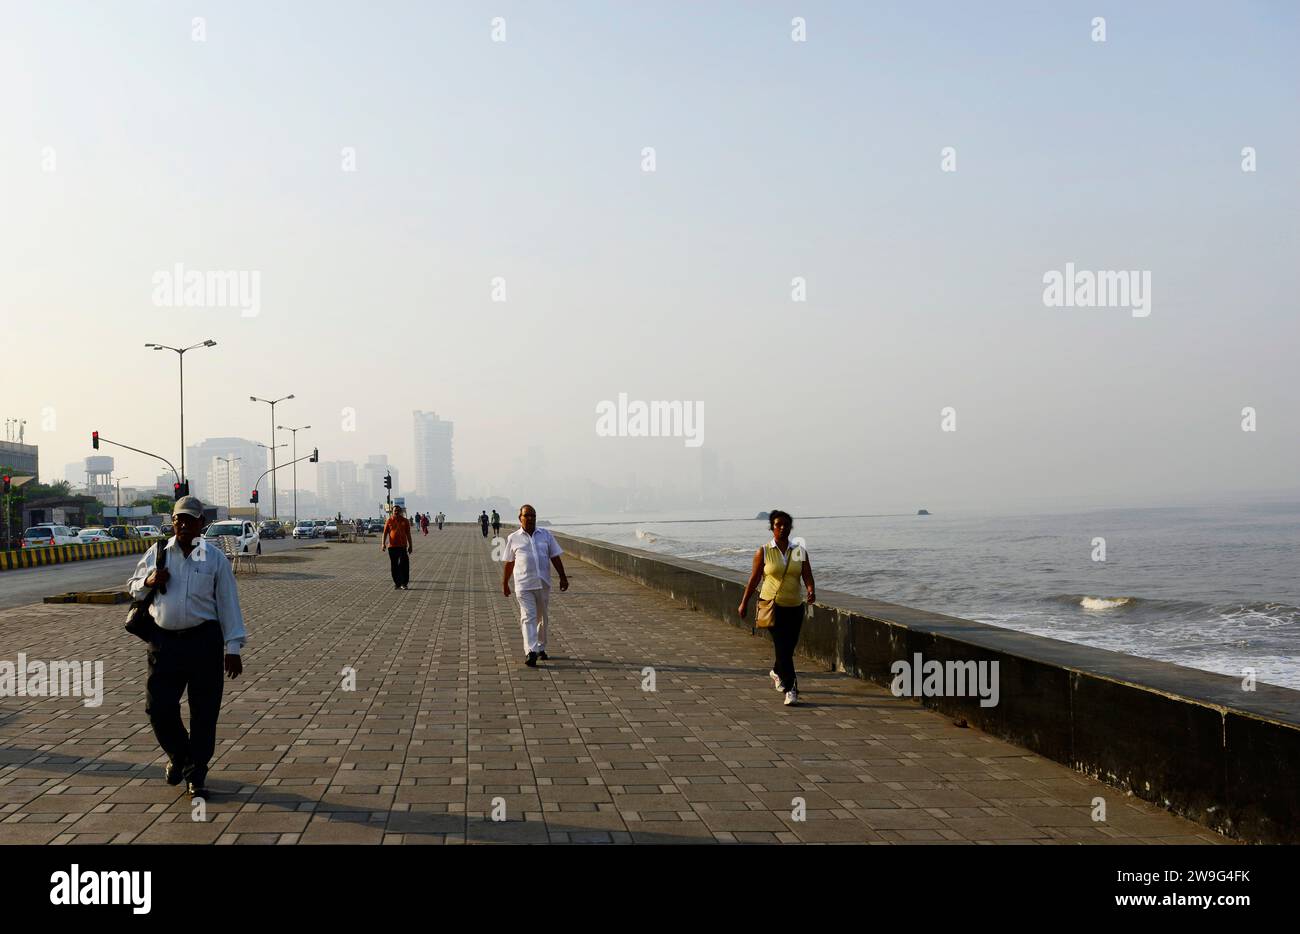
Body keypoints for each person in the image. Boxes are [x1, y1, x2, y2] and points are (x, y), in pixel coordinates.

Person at [126, 496, 246, 799]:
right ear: (173, 521)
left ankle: (196, 776)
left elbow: (228, 604)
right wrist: (150, 580)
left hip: (204, 642)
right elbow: (133, 585)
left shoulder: (215, 559)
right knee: (158, 708)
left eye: (190, 519)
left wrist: (233, 648)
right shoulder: (157, 553)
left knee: (204, 713)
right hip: (164, 643)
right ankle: (180, 757)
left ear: (201, 524)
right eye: (178, 519)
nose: (182, 524)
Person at [737, 509, 815, 706]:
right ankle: (791, 688)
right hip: (772, 606)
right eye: (778, 524)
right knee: (782, 646)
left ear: (790, 528)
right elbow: (754, 579)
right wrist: (744, 602)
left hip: (795, 606)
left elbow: (807, 575)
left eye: (785, 525)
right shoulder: (763, 551)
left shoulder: (799, 551)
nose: (782, 528)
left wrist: (811, 590)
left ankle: (777, 671)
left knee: (788, 647)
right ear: (772, 527)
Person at [501, 504, 568, 667]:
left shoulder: (545, 535)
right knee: (528, 617)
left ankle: (540, 647)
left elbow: (555, 556)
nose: (530, 518)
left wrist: (563, 577)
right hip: (523, 584)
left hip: (543, 583)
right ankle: (530, 651)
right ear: (520, 518)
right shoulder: (513, 538)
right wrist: (505, 583)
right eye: (527, 515)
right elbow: (509, 562)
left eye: (533, 516)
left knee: (542, 618)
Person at [381, 505, 413, 590]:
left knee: (404, 565)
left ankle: (404, 583)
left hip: (402, 546)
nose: (397, 512)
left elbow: (408, 534)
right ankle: (397, 583)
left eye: (398, 510)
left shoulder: (405, 521)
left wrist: (410, 546)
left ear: (401, 511)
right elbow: (385, 533)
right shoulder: (389, 520)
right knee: (394, 565)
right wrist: (383, 544)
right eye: (395, 510)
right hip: (392, 547)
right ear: (392, 511)